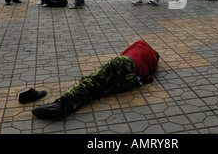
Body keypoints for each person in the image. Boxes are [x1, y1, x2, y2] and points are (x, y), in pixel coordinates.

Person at [31, 40, 159, 119]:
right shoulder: (154, 62)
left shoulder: (142, 44)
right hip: (132, 80)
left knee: (93, 81)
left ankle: (61, 103)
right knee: (97, 90)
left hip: (125, 62)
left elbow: (124, 53)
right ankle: (66, 107)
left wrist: (109, 67)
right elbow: (148, 77)